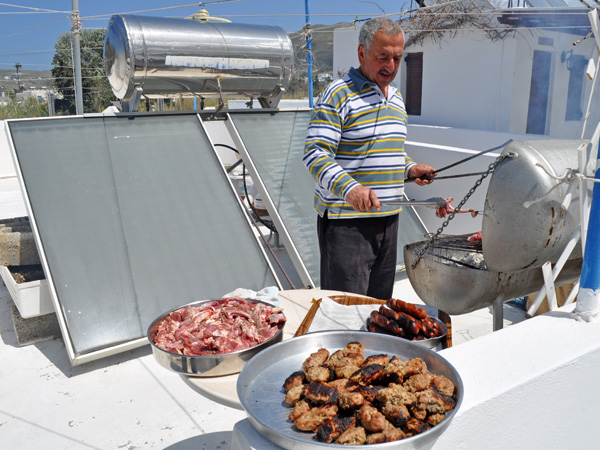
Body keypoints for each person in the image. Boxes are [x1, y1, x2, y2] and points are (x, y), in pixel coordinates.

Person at [303, 16, 436, 300]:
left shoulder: (397, 99)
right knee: (346, 310)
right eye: (383, 57)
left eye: (397, 59)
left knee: (377, 308)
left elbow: (388, 152)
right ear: (362, 53)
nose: (391, 66)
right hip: (347, 224)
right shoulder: (339, 94)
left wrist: (410, 169)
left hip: (389, 219)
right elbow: (315, 153)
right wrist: (351, 189)